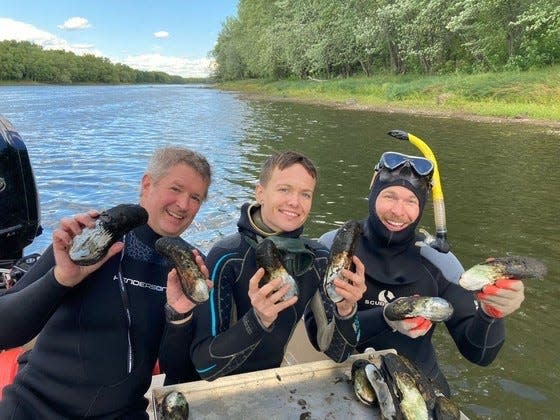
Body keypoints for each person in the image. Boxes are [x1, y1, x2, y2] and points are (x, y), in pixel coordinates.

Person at [0, 146, 212, 419]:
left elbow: (179, 372)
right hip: (35, 407)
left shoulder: (189, 268)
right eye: (176, 188)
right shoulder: (88, 238)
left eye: (195, 197)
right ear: (147, 184)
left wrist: (179, 318)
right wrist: (61, 278)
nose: (183, 204)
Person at [315, 151, 525, 396]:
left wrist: (492, 314)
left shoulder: (439, 262)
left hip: (421, 386)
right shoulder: (334, 247)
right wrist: (386, 317)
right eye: (389, 196)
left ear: (422, 206)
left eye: (411, 201)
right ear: (372, 195)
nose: (398, 210)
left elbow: (479, 354)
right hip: (343, 381)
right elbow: (326, 342)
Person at [188, 151, 366, 380]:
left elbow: (339, 352)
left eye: (306, 194)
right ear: (260, 193)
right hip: (218, 389)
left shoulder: (318, 258)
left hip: (271, 384)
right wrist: (258, 320)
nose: (295, 202)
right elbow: (205, 366)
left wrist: (346, 309)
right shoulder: (226, 258)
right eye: (284, 189)